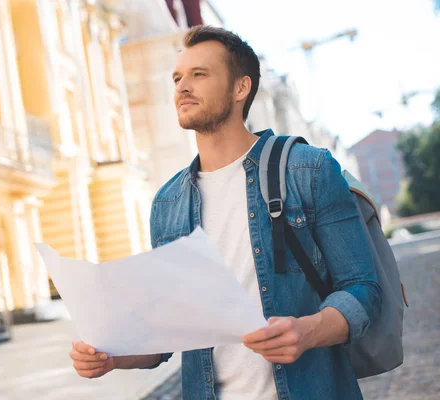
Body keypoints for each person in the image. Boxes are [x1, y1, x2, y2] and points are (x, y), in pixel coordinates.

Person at [69, 25, 381, 400]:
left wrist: (309, 331)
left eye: (199, 75)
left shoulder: (308, 169)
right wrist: (112, 355)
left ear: (240, 88)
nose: (183, 87)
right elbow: (171, 329)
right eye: (178, 77)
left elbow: (364, 289)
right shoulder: (168, 203)